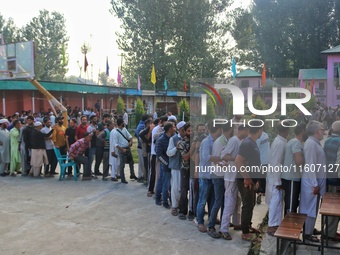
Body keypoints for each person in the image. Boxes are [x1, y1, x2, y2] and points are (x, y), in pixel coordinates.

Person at [219, 125, 249, 240]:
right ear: (244, 130)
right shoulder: (234, 140)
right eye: (247, 132)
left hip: (236, 177)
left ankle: (237, 223)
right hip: (230, 177)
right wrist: (236, 159)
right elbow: (223, 155)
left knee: (237, 202)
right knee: (230, 203)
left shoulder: (239, 141)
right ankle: (224, 229)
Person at [235, 120, 263, 241]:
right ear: (259, 130)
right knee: (247, 205)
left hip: (251, 180)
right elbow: (238, 161)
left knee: (250, 203)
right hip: (245, 180)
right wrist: (246, 177)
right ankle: (245, 232)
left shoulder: (252, 142)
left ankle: (248, 225)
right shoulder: (247, 143)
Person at [300, 120, 326, 242]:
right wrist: (314, 184)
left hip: (315, 181)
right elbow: (310, 165)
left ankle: (310, 230)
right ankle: (307, 234)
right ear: (316, 131)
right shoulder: (311, 144)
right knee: (309, 208)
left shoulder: (315, 143)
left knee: (313, 208)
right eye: (322, 130)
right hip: (311, 183)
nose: (323, 132)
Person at [196, 121, 223, 233]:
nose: (221, 131)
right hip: (206, 175)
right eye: (220, 129)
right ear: (217, 130)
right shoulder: (207, 142)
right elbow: (206, 157)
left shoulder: (217, 141)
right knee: (202, 200)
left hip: (213, 175)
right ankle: (200, 222)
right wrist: (219, 158)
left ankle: (212, 218)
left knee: (213, 199)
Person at [266, 123, 289, 236]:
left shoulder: (281, 141)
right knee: (276, 201)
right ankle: (272, 225)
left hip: (275, 176)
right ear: (287, 131)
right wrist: (278, 181)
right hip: (275, 177)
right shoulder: (280, 143)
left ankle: (275, 223)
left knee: (278, 201)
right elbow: (276, 162)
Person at [281, 124, 306, 215]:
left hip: (289, 176)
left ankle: (290, 225)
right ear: (303, 131)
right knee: (291, 205)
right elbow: (298, 160)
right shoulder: (296, 143)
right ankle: (289, 225)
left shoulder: (291, 141)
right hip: (292, 177)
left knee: (292, 202)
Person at [323, 120, 340, 241]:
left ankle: (327, 230)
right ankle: (330, 234)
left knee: (327, 205)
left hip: (327, 177)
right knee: (335, 208)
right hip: (335, 179)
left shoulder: (327, 140)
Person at [167, 121, 186, 216]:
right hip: (176, 167)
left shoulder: (189, 138)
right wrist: (176, 147)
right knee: (176, 188)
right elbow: (169, 152)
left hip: (186, 167)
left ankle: (183, 206)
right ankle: (174, 206)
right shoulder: (173, 139)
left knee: (184, 189)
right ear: (180, 130)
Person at [155, 122, 176, 208]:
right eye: (174, 127)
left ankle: (170, 199)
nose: (175, 129)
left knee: (169, 184)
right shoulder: (161, 139)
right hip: (166, 165)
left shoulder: (174, 138)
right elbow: (159, 155)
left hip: (172, 165)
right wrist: (167, 163)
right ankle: (163, 201)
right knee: (165, 183)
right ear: (170, 129)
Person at [113, 118, 137, 184]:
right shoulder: (116, 132)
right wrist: (122, 149)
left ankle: (132, 174)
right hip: (121, 149)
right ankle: (122, 178)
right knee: (122, 164)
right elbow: (115, 144)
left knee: (131, 162)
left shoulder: (124, 129)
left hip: (127, 147)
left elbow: (130, 136)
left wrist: (130, 142)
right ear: (121, 123)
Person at [135, 114, 149, 182]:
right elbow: (140, 135)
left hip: (139, 145)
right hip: (142, 146)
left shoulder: (139, 125)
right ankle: (142, 176)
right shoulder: (143, 126)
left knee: (140, 162)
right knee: (143, 162)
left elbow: (135, 134)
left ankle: (140, 175)